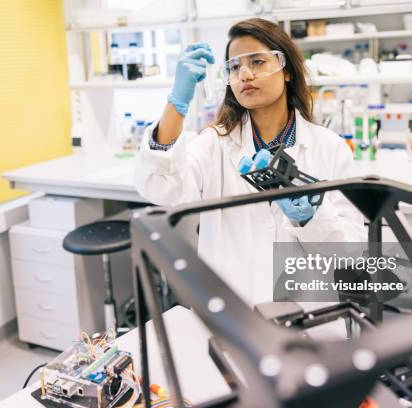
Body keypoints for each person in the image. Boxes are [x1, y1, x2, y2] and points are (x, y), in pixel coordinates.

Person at [135, 18, 365, 305]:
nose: (244, 74)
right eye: (234, 67)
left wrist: (312, 218)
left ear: (287, 71)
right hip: (233, 310)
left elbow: (350, 253)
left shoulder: (329, 148)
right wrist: (176, 104)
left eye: (257, 62)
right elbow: (162, 189)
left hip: (308, 311)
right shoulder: (214, 144)